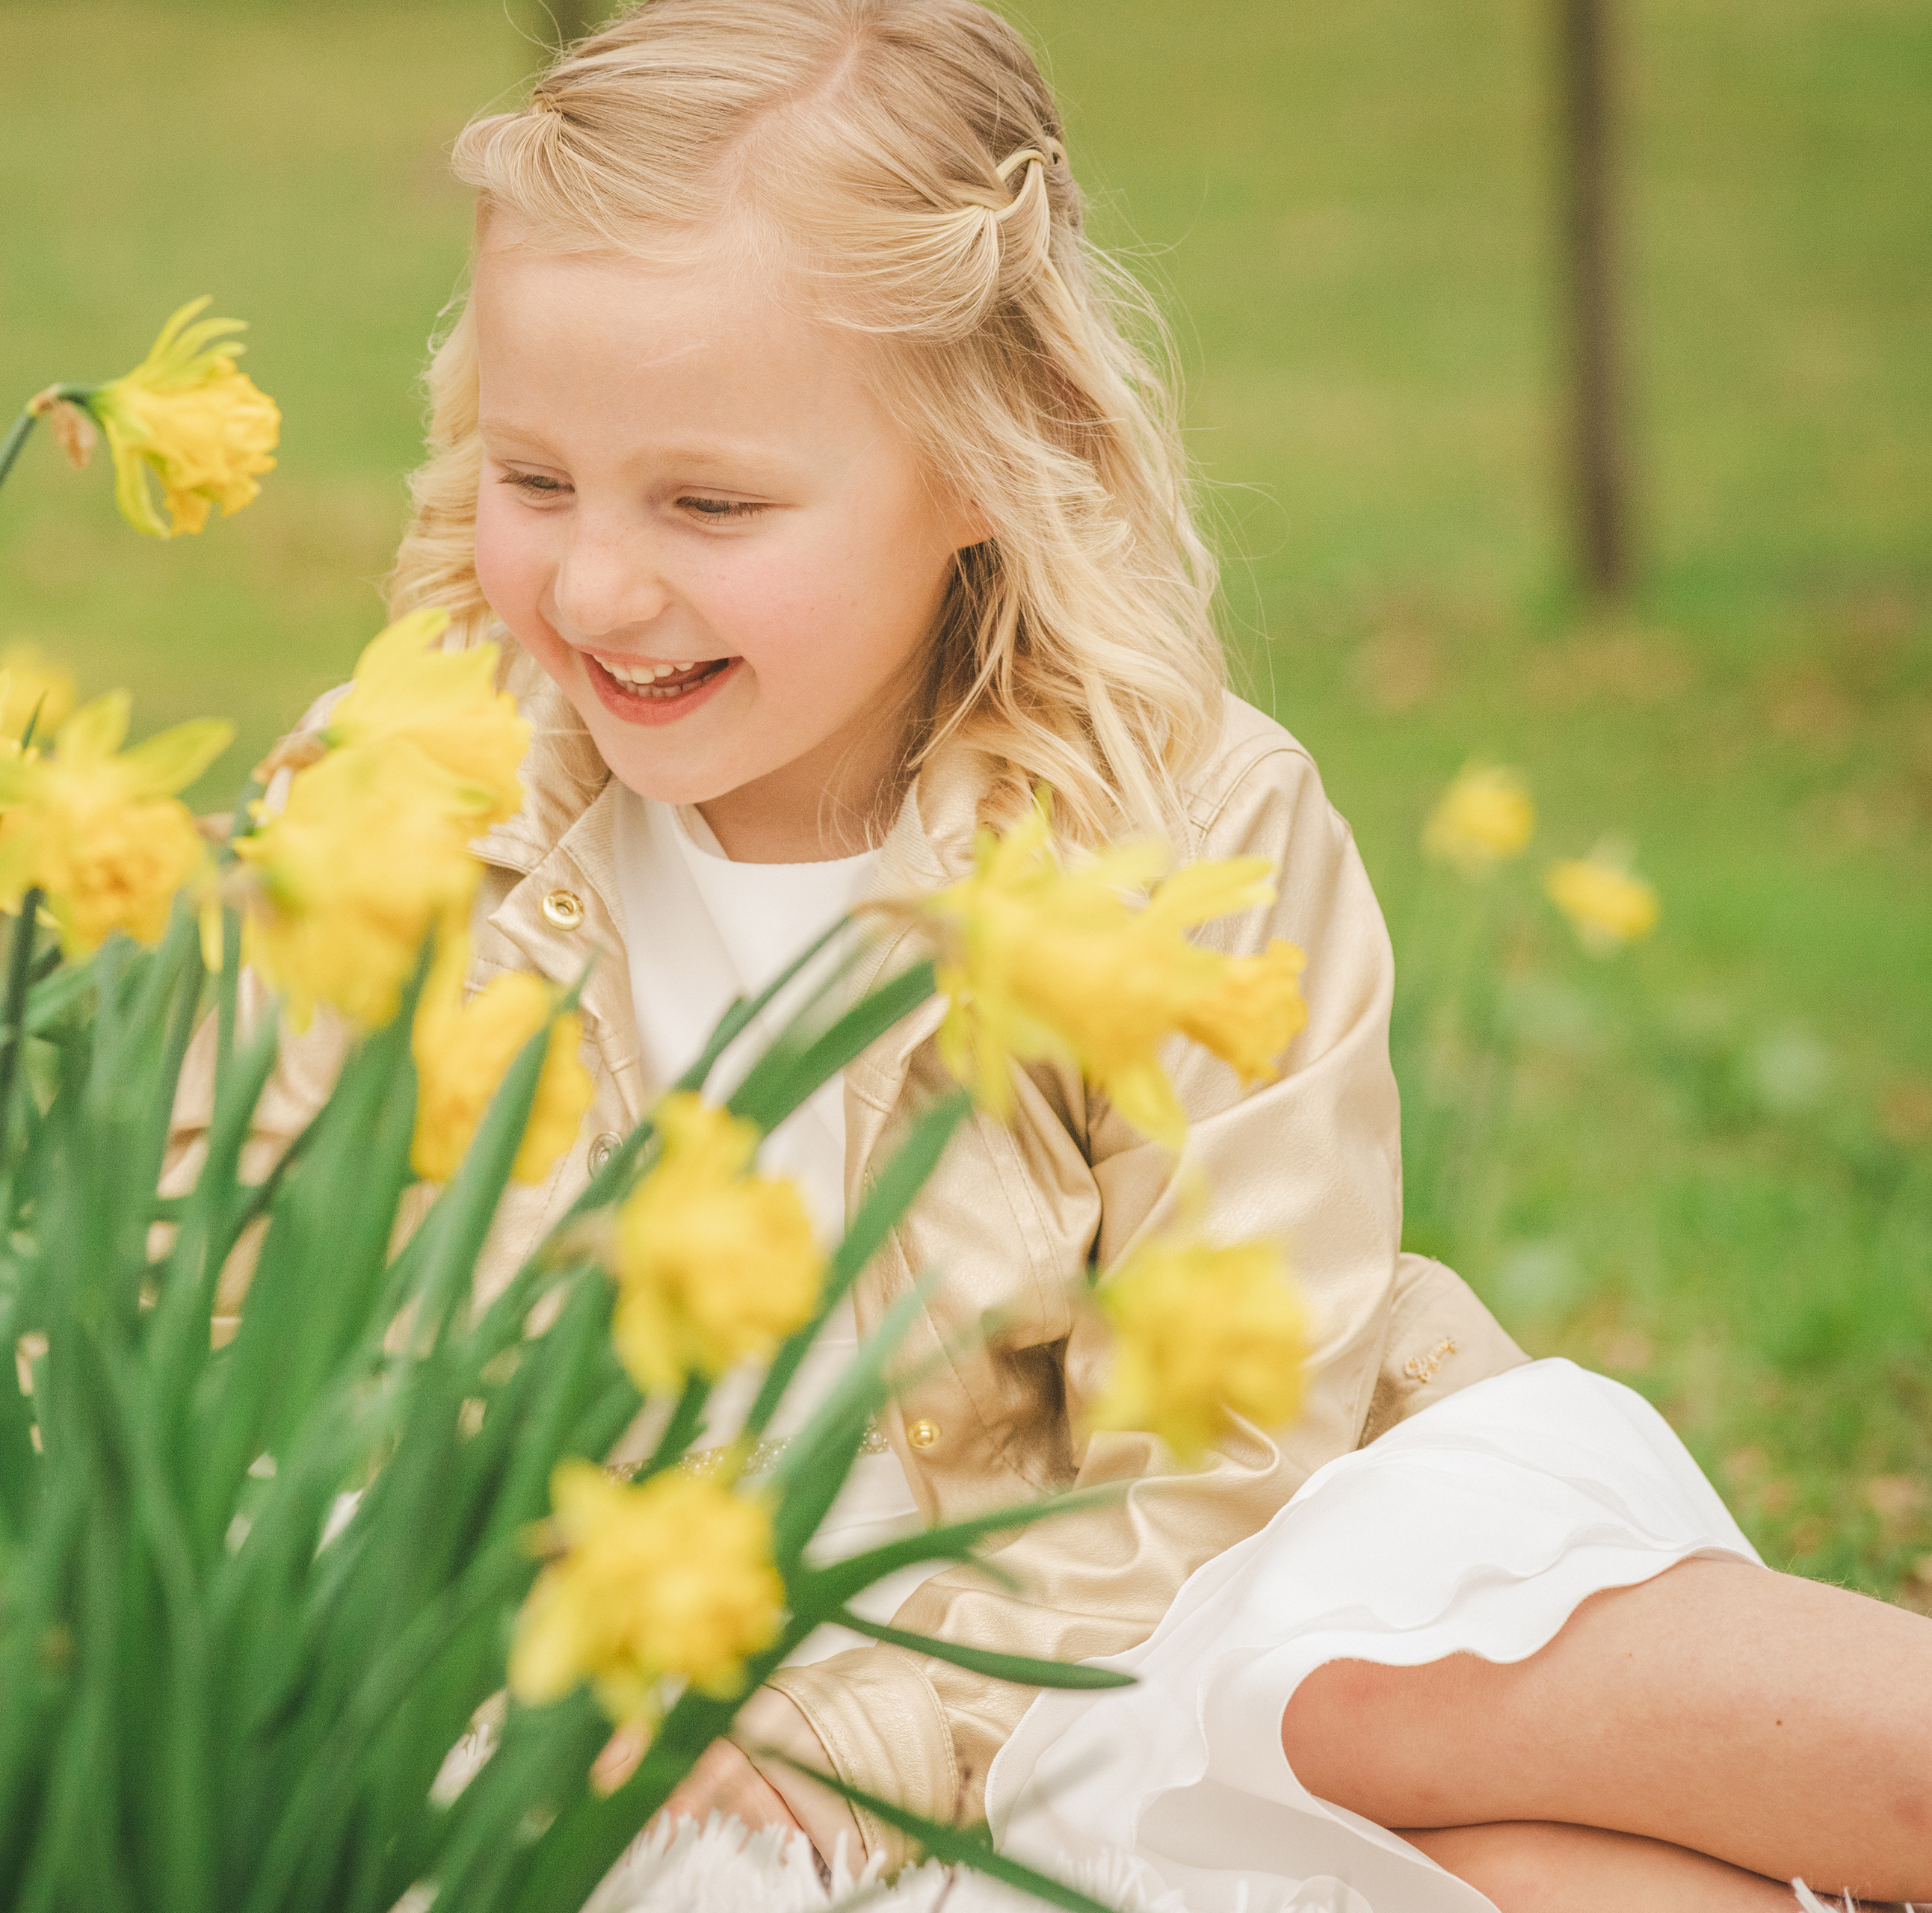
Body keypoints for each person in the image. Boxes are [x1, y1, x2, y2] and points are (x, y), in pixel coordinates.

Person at [172, 2, 1932, 1903]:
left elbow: (1228, 1438)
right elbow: (212, 1340)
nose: (595, 585)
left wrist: (903, 1705)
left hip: (1142, 1591)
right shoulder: (395, 823)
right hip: (683, 1749)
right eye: (535, 479)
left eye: (710, 500)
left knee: (1361, 1698)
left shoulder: (1179, 827)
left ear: (985, 462)